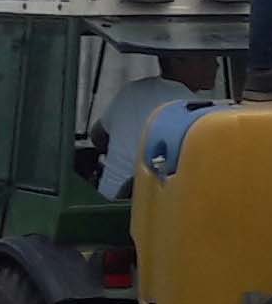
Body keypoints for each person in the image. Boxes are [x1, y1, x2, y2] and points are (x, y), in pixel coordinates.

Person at [90, 53, 215, 199]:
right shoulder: (197, 111)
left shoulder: (130, 90)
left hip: (105, 202)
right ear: (176, 61)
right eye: (206, 58)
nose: (216, 65)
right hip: (150, 210)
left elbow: (98, 136)